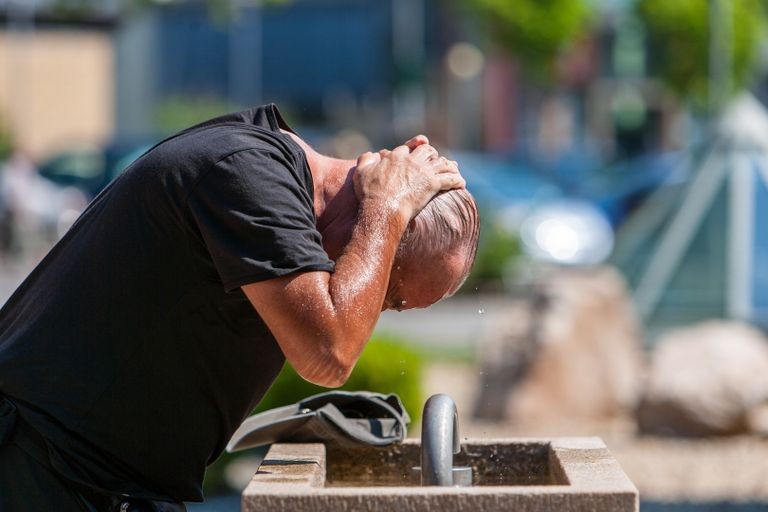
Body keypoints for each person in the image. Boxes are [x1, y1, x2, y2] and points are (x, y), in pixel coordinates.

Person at [0, 104, 479, 511]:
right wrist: (388, 211)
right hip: (41, 465)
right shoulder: (247, 173)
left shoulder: (267, 182)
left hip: (91, 477)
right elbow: (329, 353)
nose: (372, 306)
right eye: (390, 295)